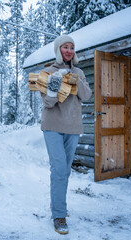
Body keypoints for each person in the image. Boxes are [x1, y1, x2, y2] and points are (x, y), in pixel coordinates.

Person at [40, 35, 92, 234]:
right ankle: (59, 215)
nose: (69, 51)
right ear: (58, 50)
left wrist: (75, 78)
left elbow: (86, 95)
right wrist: (55, 82)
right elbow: (48, 103)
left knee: (65, 171)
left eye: (72, 47)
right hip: (52, 125)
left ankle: (58, 204)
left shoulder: (78, 71)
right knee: (60, 169)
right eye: (65, 47)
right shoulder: (47, 71)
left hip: (73, 127)